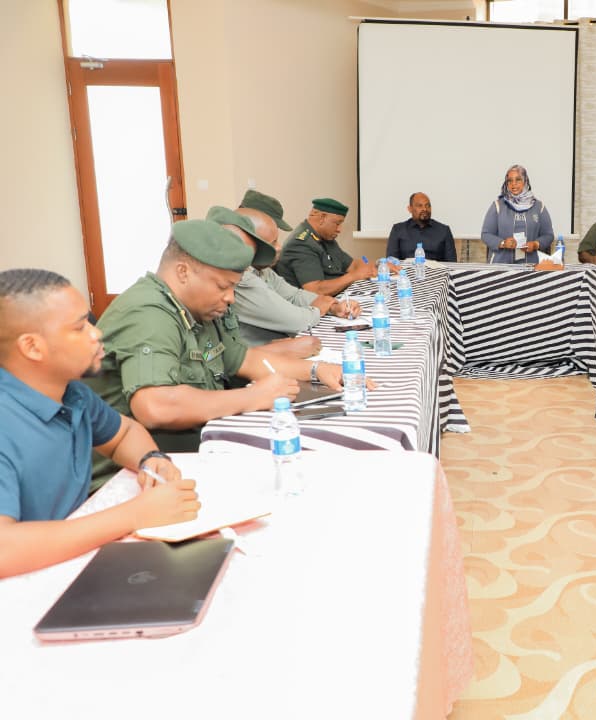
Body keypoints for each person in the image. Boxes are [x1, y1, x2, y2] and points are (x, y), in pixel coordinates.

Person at [84, 219, 345, 459]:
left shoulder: (201, 307)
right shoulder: (149, 313)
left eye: (233, 287)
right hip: (138, 468)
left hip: (196, 446)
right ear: (183, 272)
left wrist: (316, 369)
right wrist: (253, 397)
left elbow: (242, 359)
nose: (230, 297)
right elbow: (155, 406)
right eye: (223, 286)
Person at [0, 268, 199, 578]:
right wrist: (135, 514)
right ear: (32, 347)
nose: (96, 334)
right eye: (80, 327)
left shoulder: (71, 392)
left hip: (68, 562)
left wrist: (151, 459)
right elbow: (5, 550)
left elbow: (124, 433)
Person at [211, 203, 359, 350]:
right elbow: (296, 321)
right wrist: (319, 309)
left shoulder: (262, 269)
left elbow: (294, 295)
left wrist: (333, 306)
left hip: (275, 346)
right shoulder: (242, 277)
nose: (279, 247)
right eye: (273, 243)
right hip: (258, 354)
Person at [276, 197, 376, 295]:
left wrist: (374, 267)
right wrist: (352, 277)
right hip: (314, 304)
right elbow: (315, 290)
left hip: (337, 297)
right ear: (322, 218)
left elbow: (352, 265)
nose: (339, 230)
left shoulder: (326, 237)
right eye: (337, 223)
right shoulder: (300, 244)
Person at [481, 165, 554, 263]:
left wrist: (536, 244)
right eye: (509, 181)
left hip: (531, 265)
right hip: (501, 266)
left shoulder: (539, 207)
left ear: (525, 181)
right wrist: (503, 243)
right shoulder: (498, 206)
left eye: (518, 180)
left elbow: (548, 235)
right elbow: (486, 234)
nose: (513, 184)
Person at [387, 192, 456, 262]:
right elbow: (391, 262)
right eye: (420, 206)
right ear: (410, 209)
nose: (425, 209)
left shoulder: (444, 230)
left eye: (428, 206)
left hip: (437, 269)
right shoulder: (398, 230)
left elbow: (452, 263)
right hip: (406, 269)